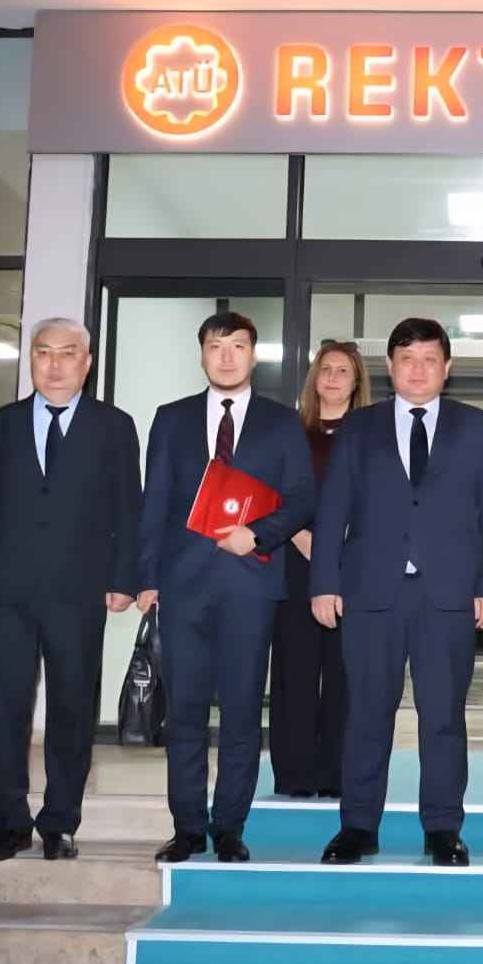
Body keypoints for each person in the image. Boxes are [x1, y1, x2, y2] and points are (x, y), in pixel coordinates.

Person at [310, 318, 483, 867]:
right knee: (366, 714)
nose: (418, 370)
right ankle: (357, 826)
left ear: (447, 368)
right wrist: (324, 582)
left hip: (449, 596)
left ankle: (443, 828)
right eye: (407, 359)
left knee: (443, 716)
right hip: (370, 593)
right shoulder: (360, 427)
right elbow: (333, 510)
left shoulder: (476, 426)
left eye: (429, 360)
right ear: (390, 367)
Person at [0, 318, 141, 863]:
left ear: (87, 362)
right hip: (5, 590)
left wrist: (124, 578)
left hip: (78, 591)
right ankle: (7, 824)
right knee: (6, 709)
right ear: (30, 360)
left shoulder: (114, 426)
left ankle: (60, 822)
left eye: (67, 353)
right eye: (43, 352)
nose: (54, 364)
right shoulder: (0, 426)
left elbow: (128, 507)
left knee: (72, 710)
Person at [136, 312, 316, 864]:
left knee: (240, 712)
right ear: (202, 354)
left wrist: (257, 534)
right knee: (185, 713)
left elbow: (302, 498)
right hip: (183, 586)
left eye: (238, 346)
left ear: (253, 355)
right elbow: (154, 501)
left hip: (250, 584)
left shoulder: (281, 422)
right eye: (216, 346)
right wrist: (147, 578)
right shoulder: (171, 418)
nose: (227, 356)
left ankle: (230, 827)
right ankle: (188, 827)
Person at [270, 340, 371, 800]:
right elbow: (270, 492)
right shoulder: (288, 431)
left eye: (342, 371)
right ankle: (294, 776)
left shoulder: (371, 434)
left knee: (345, 674)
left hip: (353, 566)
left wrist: (338, 546)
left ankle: (336, 775)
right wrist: (297, 534)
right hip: (294, 561)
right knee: (294, 670)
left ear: (356, 381)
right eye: (325, 369)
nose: (332, 378)